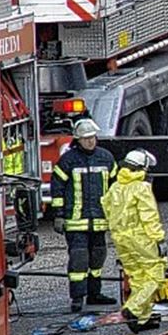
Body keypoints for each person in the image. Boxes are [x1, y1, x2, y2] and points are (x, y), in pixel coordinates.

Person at [51, 118, 118, 313]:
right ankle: (77, 298)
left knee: (98, 258)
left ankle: (94, 294)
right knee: (79, 259)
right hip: (75, 222)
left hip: (99, 220)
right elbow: (57, 188)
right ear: (78, 140)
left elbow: (116, 188)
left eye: (92, 137)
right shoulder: (68, 160)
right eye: (86, 138)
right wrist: (59, 215)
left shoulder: (106, 158)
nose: (90, 141)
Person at [102, 149, 167, 334]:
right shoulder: (141, 188)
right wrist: (158, 239)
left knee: (138, 277)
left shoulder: (115, 187)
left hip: (120, 238)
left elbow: (106, 209)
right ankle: (133, 309)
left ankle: (141, 320)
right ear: (142, 168)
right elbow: (149, 217)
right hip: (141, 238)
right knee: (155, 276)